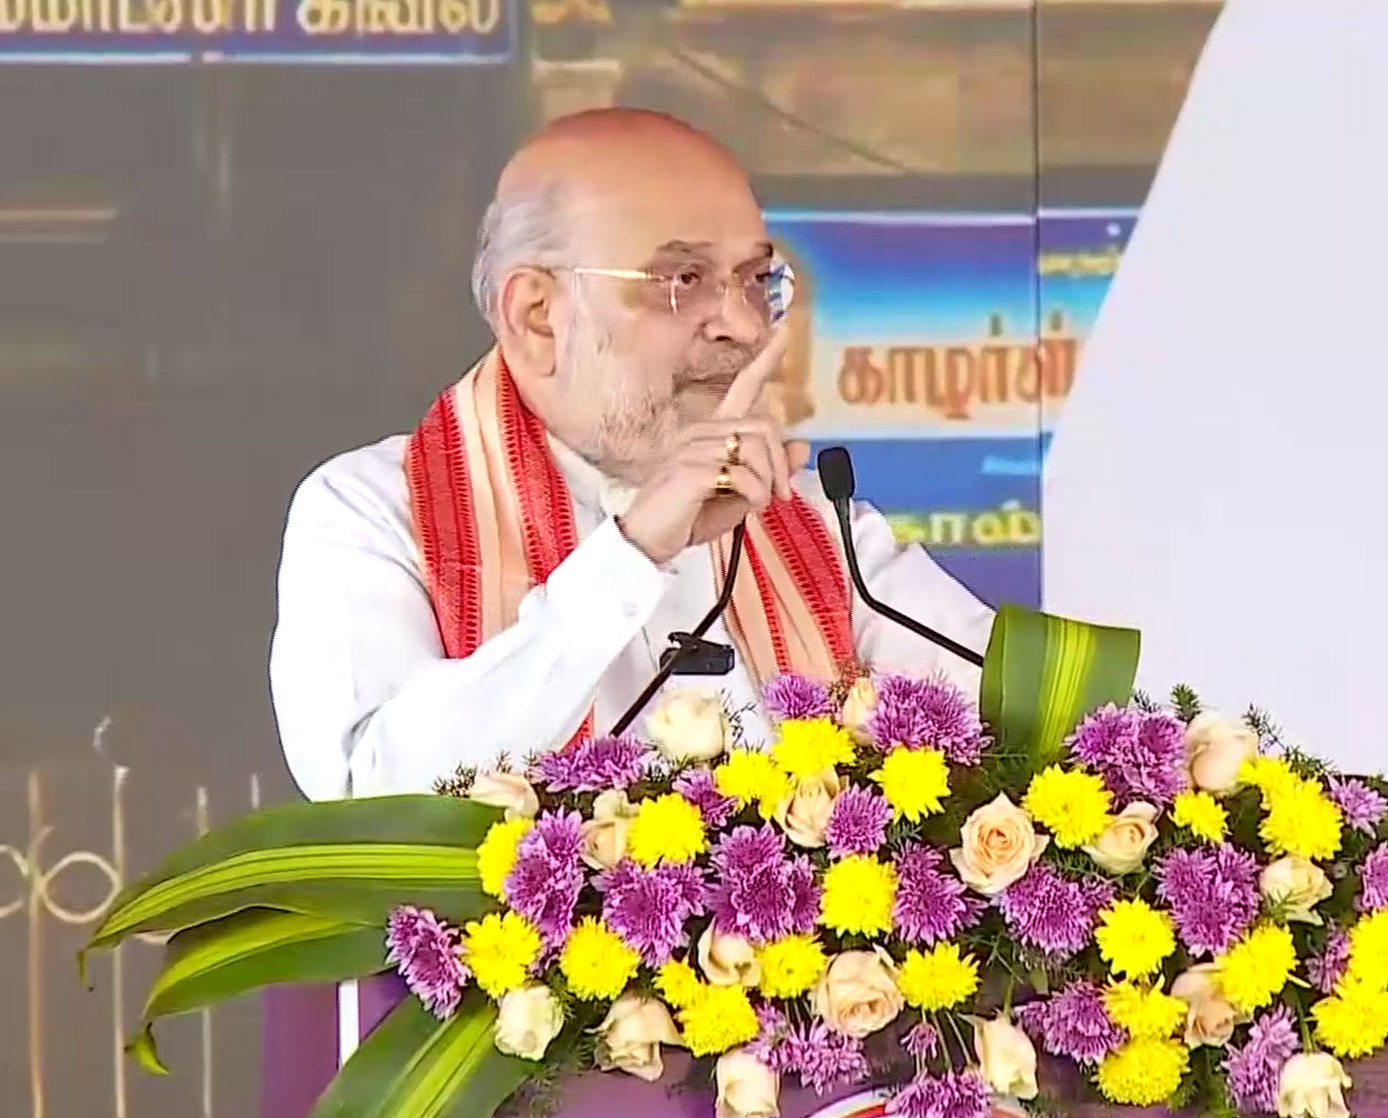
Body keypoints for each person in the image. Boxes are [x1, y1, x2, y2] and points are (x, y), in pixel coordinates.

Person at [268, 109, 995, 801]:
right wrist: (633, 551)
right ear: (538, 316)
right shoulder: (370, 511)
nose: (742, 326)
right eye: (682, 281)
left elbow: (1029, 714)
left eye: (753, 280)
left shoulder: (814, 526)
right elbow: (376, 800)